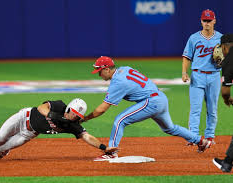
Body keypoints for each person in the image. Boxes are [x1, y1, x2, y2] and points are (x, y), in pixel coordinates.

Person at [83, 56, 211, 161]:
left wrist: (85, 118)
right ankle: (201, 141)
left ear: (107, 69)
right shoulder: (124, 69)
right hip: (160, 98)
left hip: (151, 102)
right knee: (170, 128)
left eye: (99, 71)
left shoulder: (117, 82)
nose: (99, 74)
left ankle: (111, 153)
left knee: (120, 120)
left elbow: (102, 109)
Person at [0, 98, 118, 162]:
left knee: (3, 147)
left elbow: (87, 137)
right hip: (23, 117)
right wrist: (53, 116)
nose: (74, 117)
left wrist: (104, 148)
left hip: (30, 133)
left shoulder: (73, 124)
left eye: (77, 115)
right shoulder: (59, 106)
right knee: (0, 136)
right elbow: (41, 107)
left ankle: (3, 150)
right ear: (69, 107)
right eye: (73, 113)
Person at [182, 9, 222, 145]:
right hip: (197, 76)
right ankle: (193, 137)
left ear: (214, 21)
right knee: (195, 109)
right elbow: (186, 57)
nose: (207, 23)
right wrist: (184, 72)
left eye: (209, 21)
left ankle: (210, 136)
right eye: (205, 20)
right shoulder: (194, 38)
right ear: (201, 21)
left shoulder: (221, 39)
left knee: (212, 109)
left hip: (214, 76)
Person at [212, 34, 233, 173]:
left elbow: (225, 91)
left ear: (225, 46)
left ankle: (227, 163)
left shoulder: (229, 58)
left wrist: (227, 100)